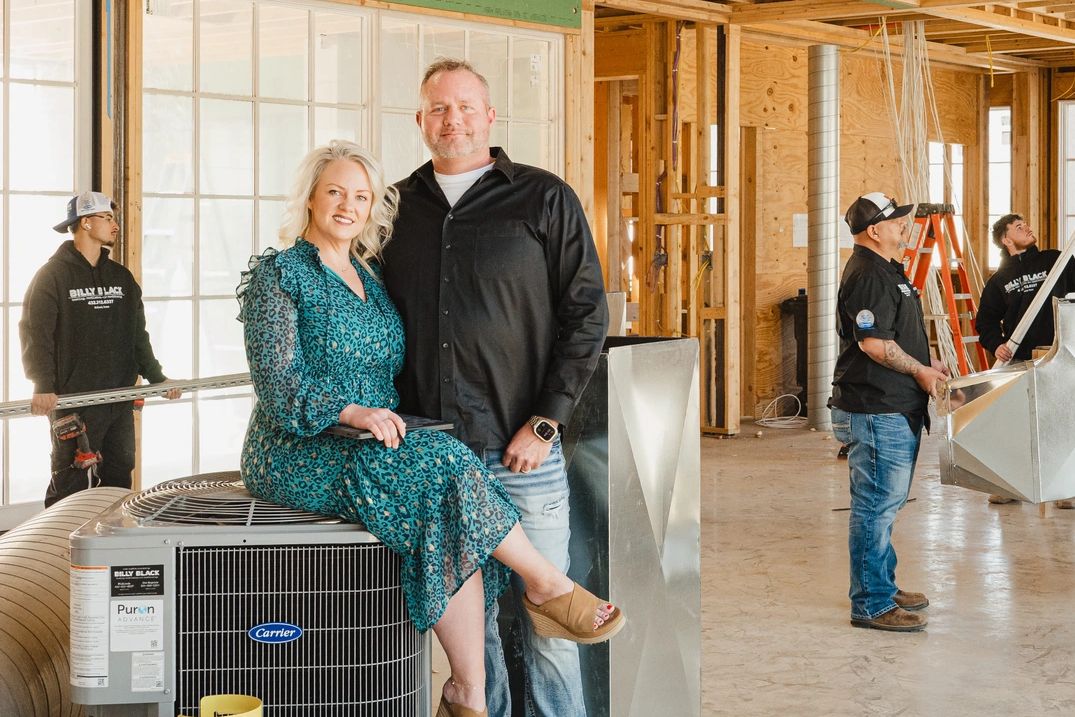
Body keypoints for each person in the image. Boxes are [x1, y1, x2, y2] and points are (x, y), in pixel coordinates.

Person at [237, 140, 623, 717]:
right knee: (443, 464)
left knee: (446, 495)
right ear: (311, 197)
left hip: (378, 441)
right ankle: (546, 587)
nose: (348, 205)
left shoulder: (368, 273)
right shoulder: (280, 273)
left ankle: (466, 692)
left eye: (361, 196)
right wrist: (353, 412)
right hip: (300, 445)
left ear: (373, 209)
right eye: (335, 191)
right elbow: (278, 384)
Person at [382, 59, 609, 716]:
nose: (451, 119)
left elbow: (586, 311)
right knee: (469, 641)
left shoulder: (543, 198)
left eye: (463, 106)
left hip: (523, 453)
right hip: (434, 461)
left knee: (551, 623)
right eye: (437, 109)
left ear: (489, 116)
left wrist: (545, 421)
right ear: (420, 121)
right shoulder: (394, 207)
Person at [828, 192, 949, 633]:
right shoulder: (868, 275)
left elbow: (895, 333)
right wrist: (919, 371)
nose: (905, 225)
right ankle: (872, 603)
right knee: (876, 506)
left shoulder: (886, 269)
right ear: (874, 230)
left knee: (887, 503)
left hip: (895, 404)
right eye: (896, 220)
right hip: (877, 406)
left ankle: (881, 582)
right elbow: (874, 344)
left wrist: (925, 362)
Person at [19, 191, 181, 507]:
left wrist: (157, 378)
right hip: (73, 400)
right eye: (107, 218)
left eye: (113, 218)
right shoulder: (52, 277)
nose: (115, 225)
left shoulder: (121, 278)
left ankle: (109, 551)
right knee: (71, 481)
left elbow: (138, 336)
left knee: (120, 477)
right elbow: (36, 335)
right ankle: (61, 550)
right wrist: (42, 385)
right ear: (86, 222)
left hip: (118, 399)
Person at [975, 214, 1075, 507]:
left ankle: (1064, 488)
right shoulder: (999, 281)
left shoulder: (1056, 261)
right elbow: (986, 322)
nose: (1027, 228)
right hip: (1020, 357)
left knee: (1059, 421)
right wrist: (997, 346)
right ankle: (1010, 486)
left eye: (1026, 224)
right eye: (1019, 227)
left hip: (1057, 355)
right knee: (1015, 423)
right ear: (1006, 240)